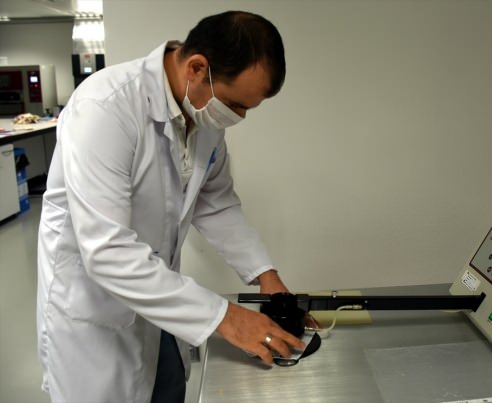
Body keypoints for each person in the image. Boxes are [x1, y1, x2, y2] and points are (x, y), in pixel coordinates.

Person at [36, 11, 304, 403]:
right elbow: (106, 251)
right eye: (235, 104)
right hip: (96, 316)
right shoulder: (104, 108)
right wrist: (225, 317)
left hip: (160, 304)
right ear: (197, 68)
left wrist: (266, 275)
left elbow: (215, 202)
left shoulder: (202, 115)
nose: (239, 117)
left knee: (167, 388)